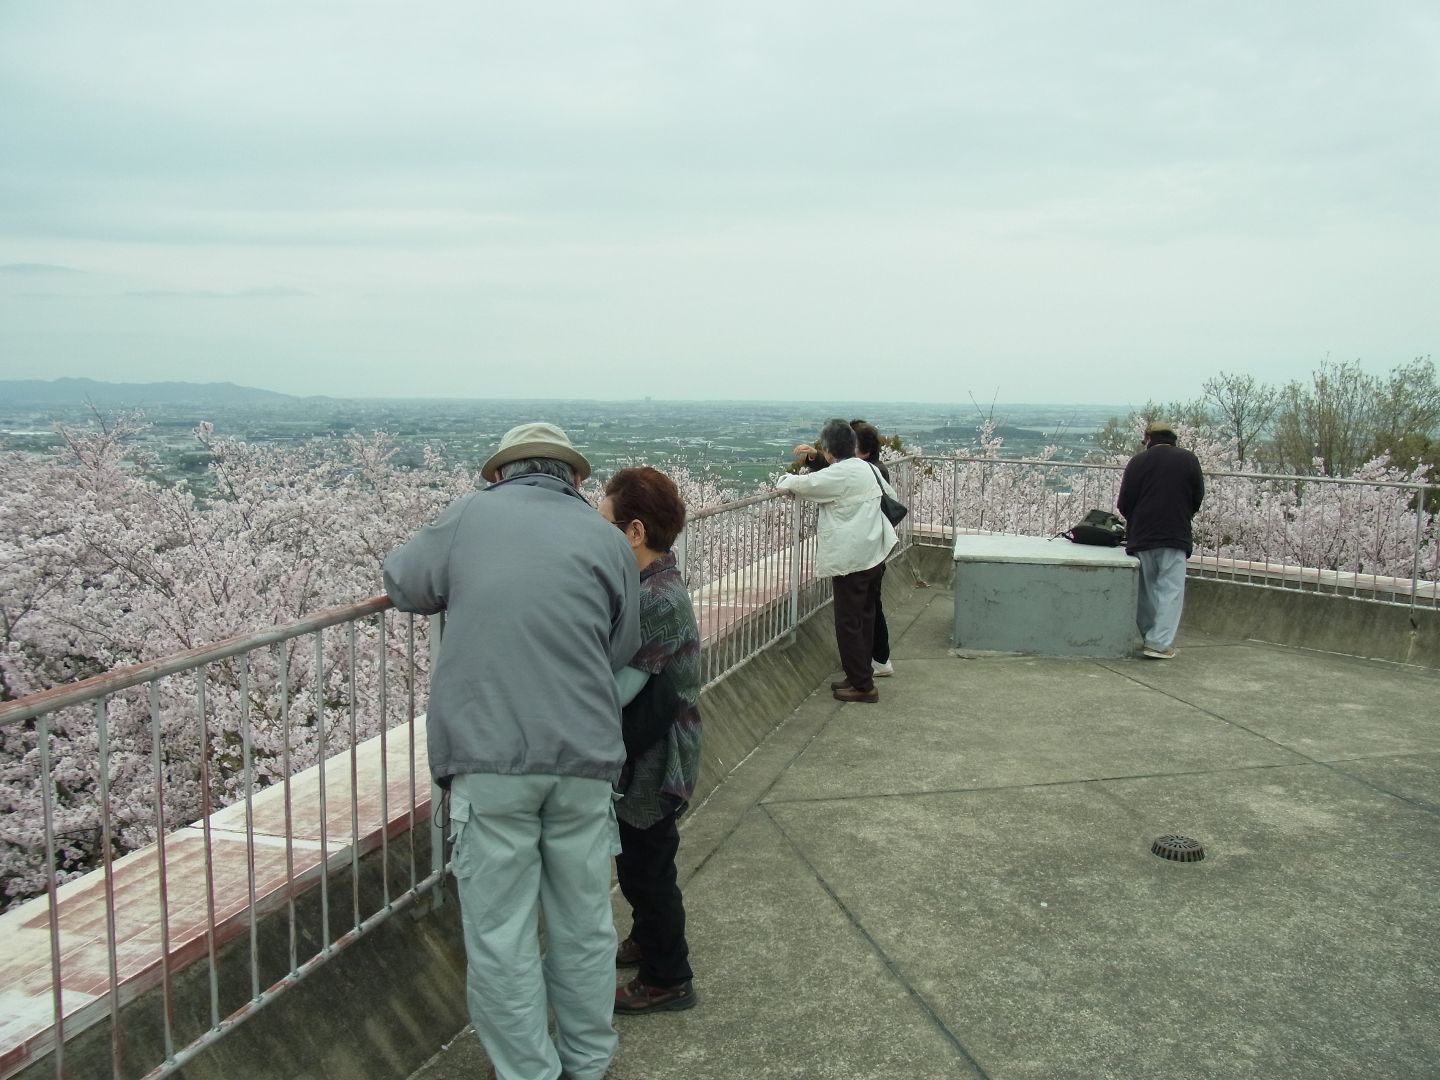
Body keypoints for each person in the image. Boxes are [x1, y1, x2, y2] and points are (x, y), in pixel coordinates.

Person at [382, 422, 639, 1080]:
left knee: (502, 936)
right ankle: (590, 1062)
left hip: (490, 755)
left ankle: (529, 1072)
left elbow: (405, 581)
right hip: (583, 757)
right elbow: (620, 644)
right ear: (575, 479)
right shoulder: (607, 538)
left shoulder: (471, 514)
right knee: (583, 926)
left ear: (499, 473)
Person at [598, 467, 703, 1015]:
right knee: (644, 860)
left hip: (658, 761)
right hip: (653, 749)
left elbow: (617, 692)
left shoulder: (657, 599)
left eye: (605, 526)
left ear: (634, 531)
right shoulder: (654, 584)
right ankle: (646, 940)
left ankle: (668, 976)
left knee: (648, 868)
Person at [778, 418, 898, 702]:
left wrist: (785, 480)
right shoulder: (864, 468)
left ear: (830, 450)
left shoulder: (841, 473)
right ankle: (860, 675)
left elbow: (802, 483)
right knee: (865, 616)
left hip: (852, 559)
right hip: (874, 551)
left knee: (848, 621)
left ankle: (862, 686)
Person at [1116, 420, 1206, 660]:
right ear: (1173, 438)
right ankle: (1159, 642)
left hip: (1142, 534)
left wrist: (1136, 519)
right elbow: (1197, 497)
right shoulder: (1189, 460)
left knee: (1144, 591)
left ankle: (1149, 636)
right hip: (1174, 533)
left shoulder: (1136, 462)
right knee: (1171, 590)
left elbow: (1123, 503)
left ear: (1148, 439)